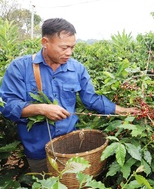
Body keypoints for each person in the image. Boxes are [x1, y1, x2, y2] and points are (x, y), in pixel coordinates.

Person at [0, 18, 139, 173]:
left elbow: (91, 99)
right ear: (45, 42)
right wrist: (41, 108)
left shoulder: (77, 69)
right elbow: (8, 105)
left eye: (72, 47)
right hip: (38, 151)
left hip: (70, 146)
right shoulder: (20, 67)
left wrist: (122, 110)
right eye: (64, 47)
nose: (69, 53)